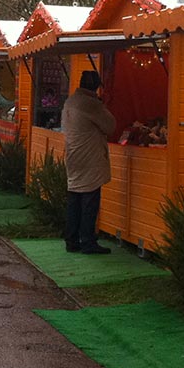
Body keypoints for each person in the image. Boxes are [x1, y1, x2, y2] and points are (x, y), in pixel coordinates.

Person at [60, 70, 115, 254]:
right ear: (95, 86)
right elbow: (110, 126)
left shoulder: (70, 101)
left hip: (73, 156)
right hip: (90, 158)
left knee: (74, 201)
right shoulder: (90, 104)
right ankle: (88, 242)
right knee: (90, 202)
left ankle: (72, 240)